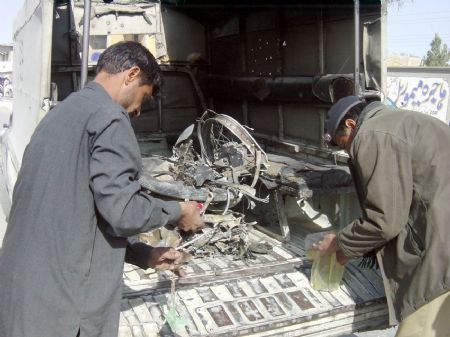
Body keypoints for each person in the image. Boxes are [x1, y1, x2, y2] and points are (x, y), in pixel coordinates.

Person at [0, 41, 204, 337]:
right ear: (132, 74)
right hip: (60, 312)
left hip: (24, 294)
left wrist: (143, 255)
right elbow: (122, 213)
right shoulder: (109, 117)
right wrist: (179, 210)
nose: (136, 112)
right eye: (143, 99)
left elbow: (79, 215)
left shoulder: (63, 112)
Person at [315, 96, 450, 337]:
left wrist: (339, 243)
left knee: (419, 329)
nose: (345, 149)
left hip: (442, 255)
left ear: (350, 124)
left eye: (341, 142)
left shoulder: (372, 135)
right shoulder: (399, 120)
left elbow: (385, 221)